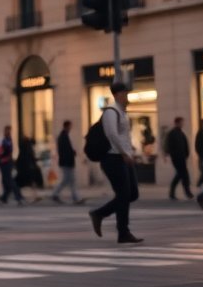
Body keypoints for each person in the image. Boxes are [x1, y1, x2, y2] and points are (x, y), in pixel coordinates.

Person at [88, 82, 142, 243]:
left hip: (123, 157)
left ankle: (100, 214)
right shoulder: (111, 112)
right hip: (113, 158)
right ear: (118, 94)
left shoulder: (122, 112)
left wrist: (130, 152)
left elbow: (124, 136)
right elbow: (112, 134)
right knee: (124, 195)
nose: (127, 96)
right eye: (125, 93)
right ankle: (122, 232)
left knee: (132, 194)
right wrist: (125, 153)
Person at [51, 120, 83, 204]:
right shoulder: (63, 136)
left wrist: (72, 152)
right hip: (67, 162)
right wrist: (72, 153)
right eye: (70, 126)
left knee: (67, 180)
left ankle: (55, 194)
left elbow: (65, 150)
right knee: (71, 180)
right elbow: (65, 151)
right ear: (66, 126)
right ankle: (75, 198)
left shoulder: (64, 136)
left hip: (66, 162)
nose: (71, 128)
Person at [165, 116, 193, 201]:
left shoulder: (181, 133)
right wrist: (172, 154)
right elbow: (169, 146)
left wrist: (186, 154)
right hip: (177, 158)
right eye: (181, 122)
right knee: (183, 174)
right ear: (177, 123)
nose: (182, 124)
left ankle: (174, 192)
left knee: (181, 175)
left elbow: (185, 144)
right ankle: (187, 192)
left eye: (182, 122)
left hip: (182, 157)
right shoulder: (172, 133)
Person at [0, 126, 26, 205]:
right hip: (4, 162)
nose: (8, 132)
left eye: (9, 131)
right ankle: (4, 198)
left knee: (9, 180)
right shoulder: (4, 140)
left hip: (6, 162)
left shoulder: (7, 140)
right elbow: (0, 151)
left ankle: (18, 197)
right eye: (7, 131)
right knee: (6, 181)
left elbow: (4, 152)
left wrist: (2, 154)